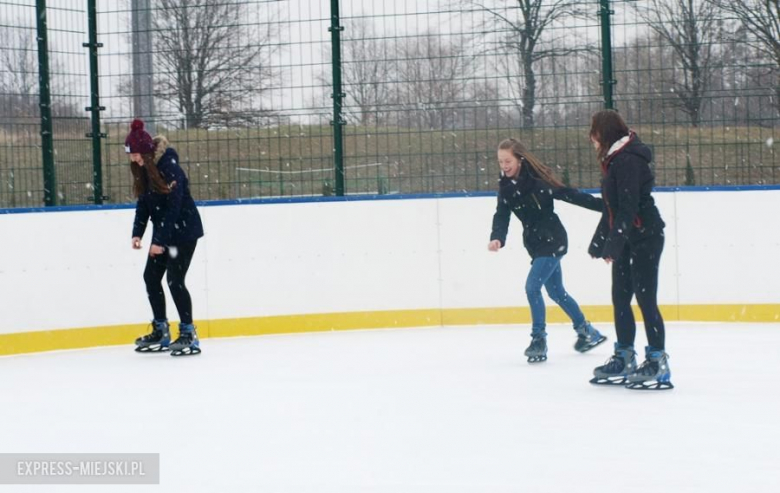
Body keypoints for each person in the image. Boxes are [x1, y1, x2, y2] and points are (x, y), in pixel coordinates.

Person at [489, 138, 606, 364]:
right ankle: (587, 332)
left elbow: (570, 195)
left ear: (519, 159)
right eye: (500, 161)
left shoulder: (538, 182)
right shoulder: (505, 188)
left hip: (553, 240)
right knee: (556, 292)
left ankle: (538, 339)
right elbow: (501, 215)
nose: (503, 165)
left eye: (507, 160)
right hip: (535, 245)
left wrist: (605, 206)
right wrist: (497, 238)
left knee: (532, 287)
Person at [587, 110, 673, 390]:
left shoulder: (627, 160)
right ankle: (624, 355)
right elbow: (611, 208)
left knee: (645, 297)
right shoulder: (614, 160)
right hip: (628, 236)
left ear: (605, 133)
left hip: (646, 235)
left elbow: (628, 206)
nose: (591, 138)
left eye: (594, 131)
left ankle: (658, 360)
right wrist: (600, 243)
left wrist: (613, 244)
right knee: (621, 297)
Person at [126, 119, 204, 357]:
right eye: (131, 155)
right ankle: (161, 329)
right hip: (164, 233)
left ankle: (188, 333)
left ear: (147, 152)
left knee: (174, 280)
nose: (134, 160)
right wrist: (137, 233)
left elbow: (174, 207)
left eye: (137, 155)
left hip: (183, 232)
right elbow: (144, 203)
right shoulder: (144, 170)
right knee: (151, 277)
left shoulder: (170, 168)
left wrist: (159, 241)